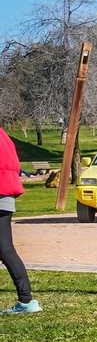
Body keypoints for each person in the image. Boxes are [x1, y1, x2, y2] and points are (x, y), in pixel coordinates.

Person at [0, 127, 36, 314]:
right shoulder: (3, 135)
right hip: (6, 194)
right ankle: (26, 300)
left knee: (5, 249)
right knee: (5, 249)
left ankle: (26, 300)